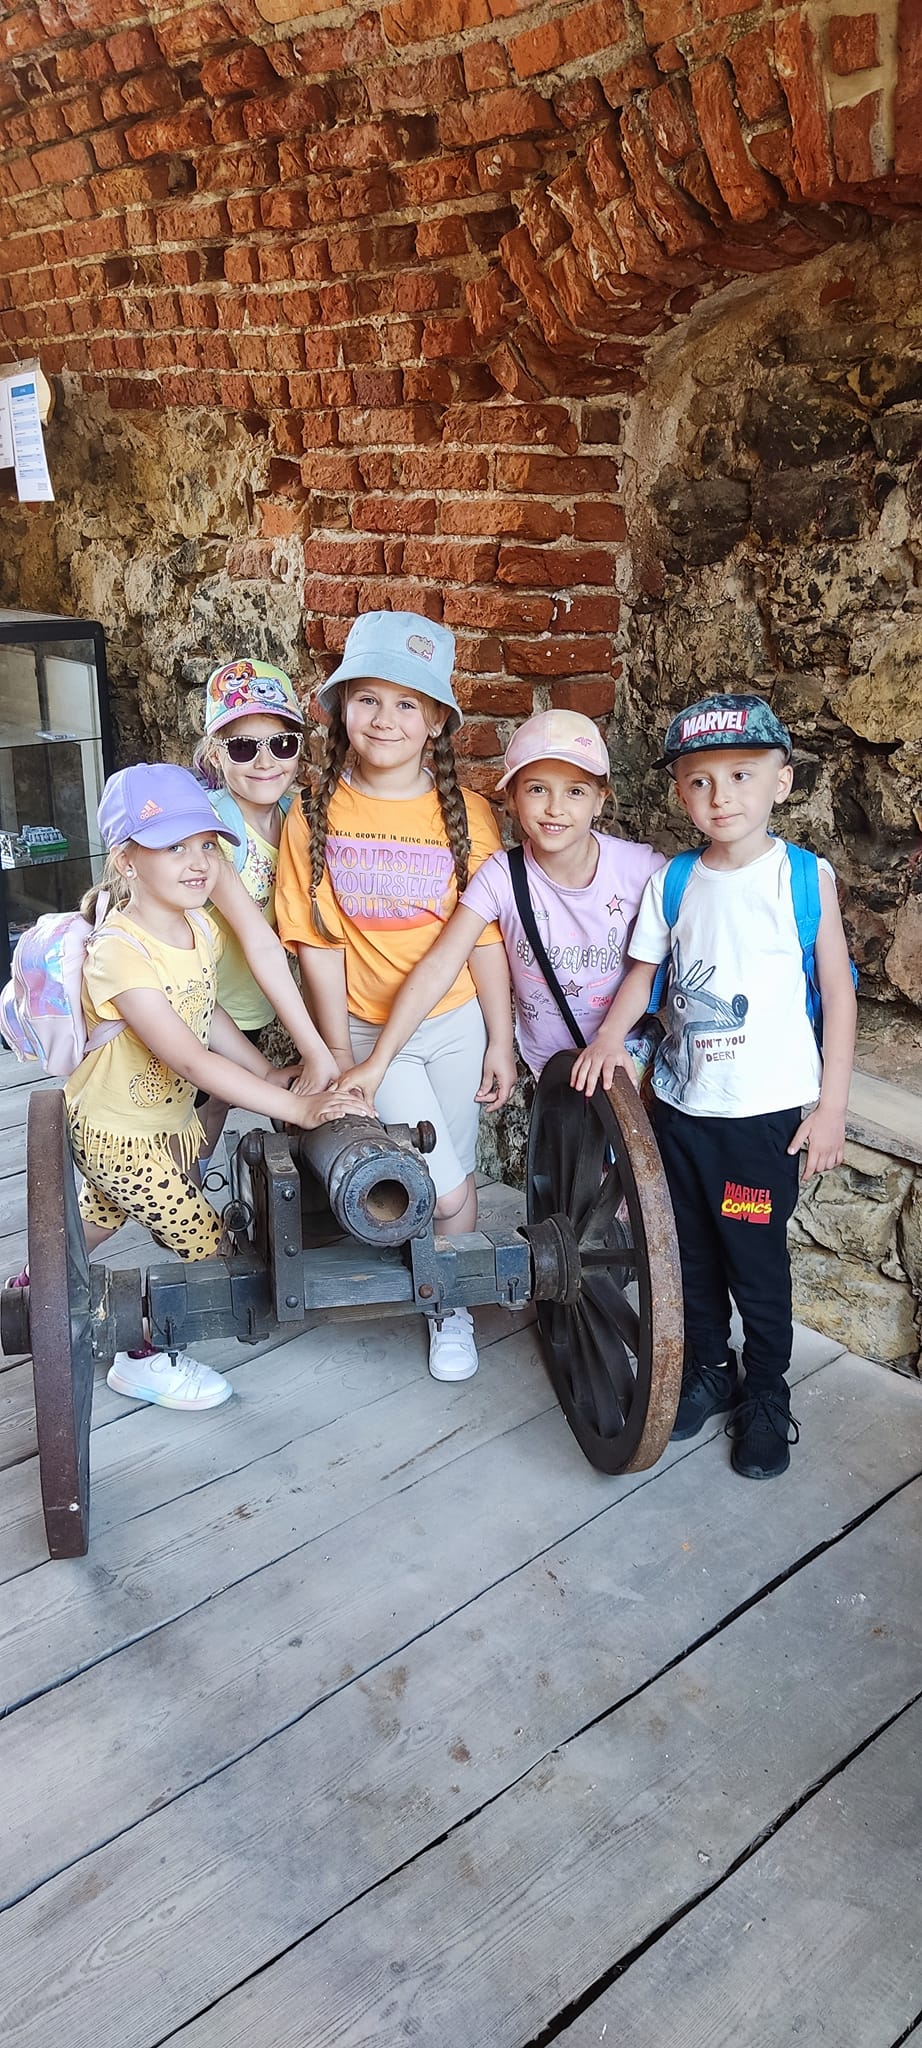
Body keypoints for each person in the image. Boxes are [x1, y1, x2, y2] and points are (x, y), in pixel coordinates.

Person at [570, 692, 857, 1481]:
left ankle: (766, 1393)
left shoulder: (804, 879)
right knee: (688, 1258)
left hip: (760, 1125)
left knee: (754, 1267)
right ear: (679, 793)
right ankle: (708, 1371)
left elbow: (838, 993)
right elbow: (643, 976)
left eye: (740, 775)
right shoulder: (675, 882)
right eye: (699, 781)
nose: (719, 796)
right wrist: (609, 1037)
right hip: (682, 1112)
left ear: (781, 783)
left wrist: (831, 1107)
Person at [62, 762, 368, 1412]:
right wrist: (297, 1106)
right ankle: (144, 1356)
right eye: (174, 846)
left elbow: (207, 1012)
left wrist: (265, 1072)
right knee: (205, 1242)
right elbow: (192, 1062)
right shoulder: (119, 951)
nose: (198, 861)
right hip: (119, 1136)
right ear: (126, 860)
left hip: (160, 1125)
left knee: (100, 1215)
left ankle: (38, 1283)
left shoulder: (198, 926)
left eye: (205, 844)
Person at [275, 610, 512, 1384]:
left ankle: (450, 1302)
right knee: (441, 1189)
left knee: (458, 1169)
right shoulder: (313, 813)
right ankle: (442, 1292)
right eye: (368, 698)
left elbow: (483, 941)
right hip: (370, 1031)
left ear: (436, 720)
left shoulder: (469, 816)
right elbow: (316, 942)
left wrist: (501, 1038)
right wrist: (339, 1053)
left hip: (456, 1022)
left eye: (408, 703)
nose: (386, 718)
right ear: (342, 708)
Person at [341, 707, 665, 1095]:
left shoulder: (641, 869)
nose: (555, 808)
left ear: (600, 800)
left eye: (575, 791)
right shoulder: (501, 877)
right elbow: (441, 963)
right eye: (537, 789)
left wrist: (611, 1037)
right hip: (551, 1065)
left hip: (626, 1055)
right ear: (511, 798)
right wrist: (379, 1061)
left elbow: (656, 963)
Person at [192, 656, 335, 1167]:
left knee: (214, 1106)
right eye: (243, 747)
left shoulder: (296, 815)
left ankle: (190, 1196)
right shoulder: (213, 829)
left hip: (243, 1006)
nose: (265, 761)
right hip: (195, 1004)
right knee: (182, 1118)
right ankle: (177, 1200)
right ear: (216, 752)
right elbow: (259, 939)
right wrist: (316, 1048)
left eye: (282, 744)